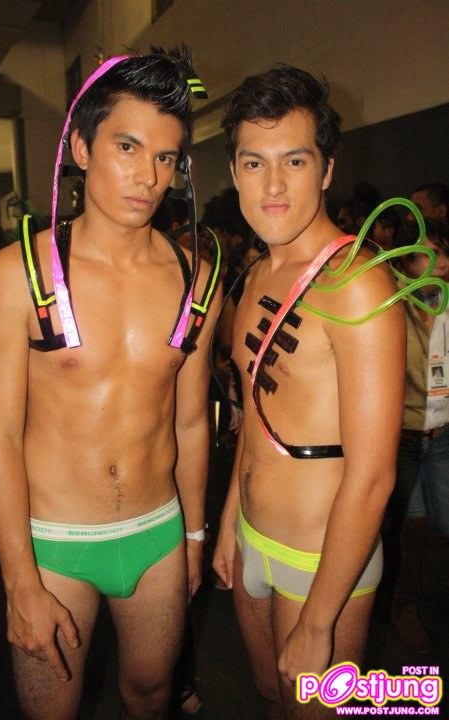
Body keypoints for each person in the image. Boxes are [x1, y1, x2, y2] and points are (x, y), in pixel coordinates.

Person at [0, 48, 220, 720]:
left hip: (158, 533)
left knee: (151, 694)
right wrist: (19, 581)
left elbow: (190, 421)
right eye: (127, 147)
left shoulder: (195, 278)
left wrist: (194, 538)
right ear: (81, 148)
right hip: (52, 543)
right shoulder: (18, 274)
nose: (148, 176)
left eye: (166, 157)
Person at [213, 64, 406, 719]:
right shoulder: (257, 273)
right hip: (252, 534)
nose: (272, 186)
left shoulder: (356, 283)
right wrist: (228, 526)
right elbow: (253, 413)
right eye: (254, 163)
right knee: (271, 697)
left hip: (322, 562)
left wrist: (320, 619)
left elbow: (374, 475)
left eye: (294, 161)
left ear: (326, 170)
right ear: (234, 171)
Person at [390, 219, 449, 654]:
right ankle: (402, 607)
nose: (440, 263)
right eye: (428, 255)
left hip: (442, 435)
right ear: (405, 263)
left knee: (440, 527)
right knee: (413, 528)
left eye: (444, 253)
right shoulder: (391, 306)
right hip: (403, 437)